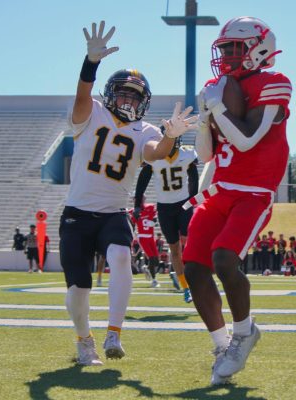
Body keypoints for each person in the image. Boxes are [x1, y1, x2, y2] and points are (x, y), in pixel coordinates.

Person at [59, 20, 197, 367]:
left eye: (135, 96)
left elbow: (156, 152)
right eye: (123, 93)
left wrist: (173, 136)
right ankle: (83, 340)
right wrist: (90, 63)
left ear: (145, 103)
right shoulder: (91, 111)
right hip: (76, 213)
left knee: (121, 258)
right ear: (110, 93)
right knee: (78, 290)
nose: (128, 100)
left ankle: (114, 333)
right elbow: (80, 96)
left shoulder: (144, 130)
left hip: (113, 213)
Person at [183, 16, 292, 385]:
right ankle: (220, 343)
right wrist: (203, 120)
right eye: (224, 48)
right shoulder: (219, 87)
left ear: (259, 48)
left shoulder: (274, 83)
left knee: (224, 258)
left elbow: (247, 140)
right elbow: (206, 155)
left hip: (253, 192)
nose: (227, 55)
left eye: (235, 47)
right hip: (219, 190)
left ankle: (244, 332)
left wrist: (220, 110)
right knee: (194, 266)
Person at [133, 137, 199, 303]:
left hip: (183, 204)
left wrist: (193, 200)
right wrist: (137, 205)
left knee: (188, 242)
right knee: (174, 249)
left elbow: (193, 178)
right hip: (164, 208)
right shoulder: (155, 157)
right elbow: (142, 181)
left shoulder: (187, 154)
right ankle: (185, 287)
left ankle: (197, 278)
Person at [130, 201, 160, 288]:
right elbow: (132, 224)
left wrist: (154, 221)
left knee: (156, 261)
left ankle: (147, 268)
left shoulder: (150, 207)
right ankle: (154, 280)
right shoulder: (134, 211)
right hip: (142, 237)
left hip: (151, 236)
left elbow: (155, 220)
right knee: (151, 257)